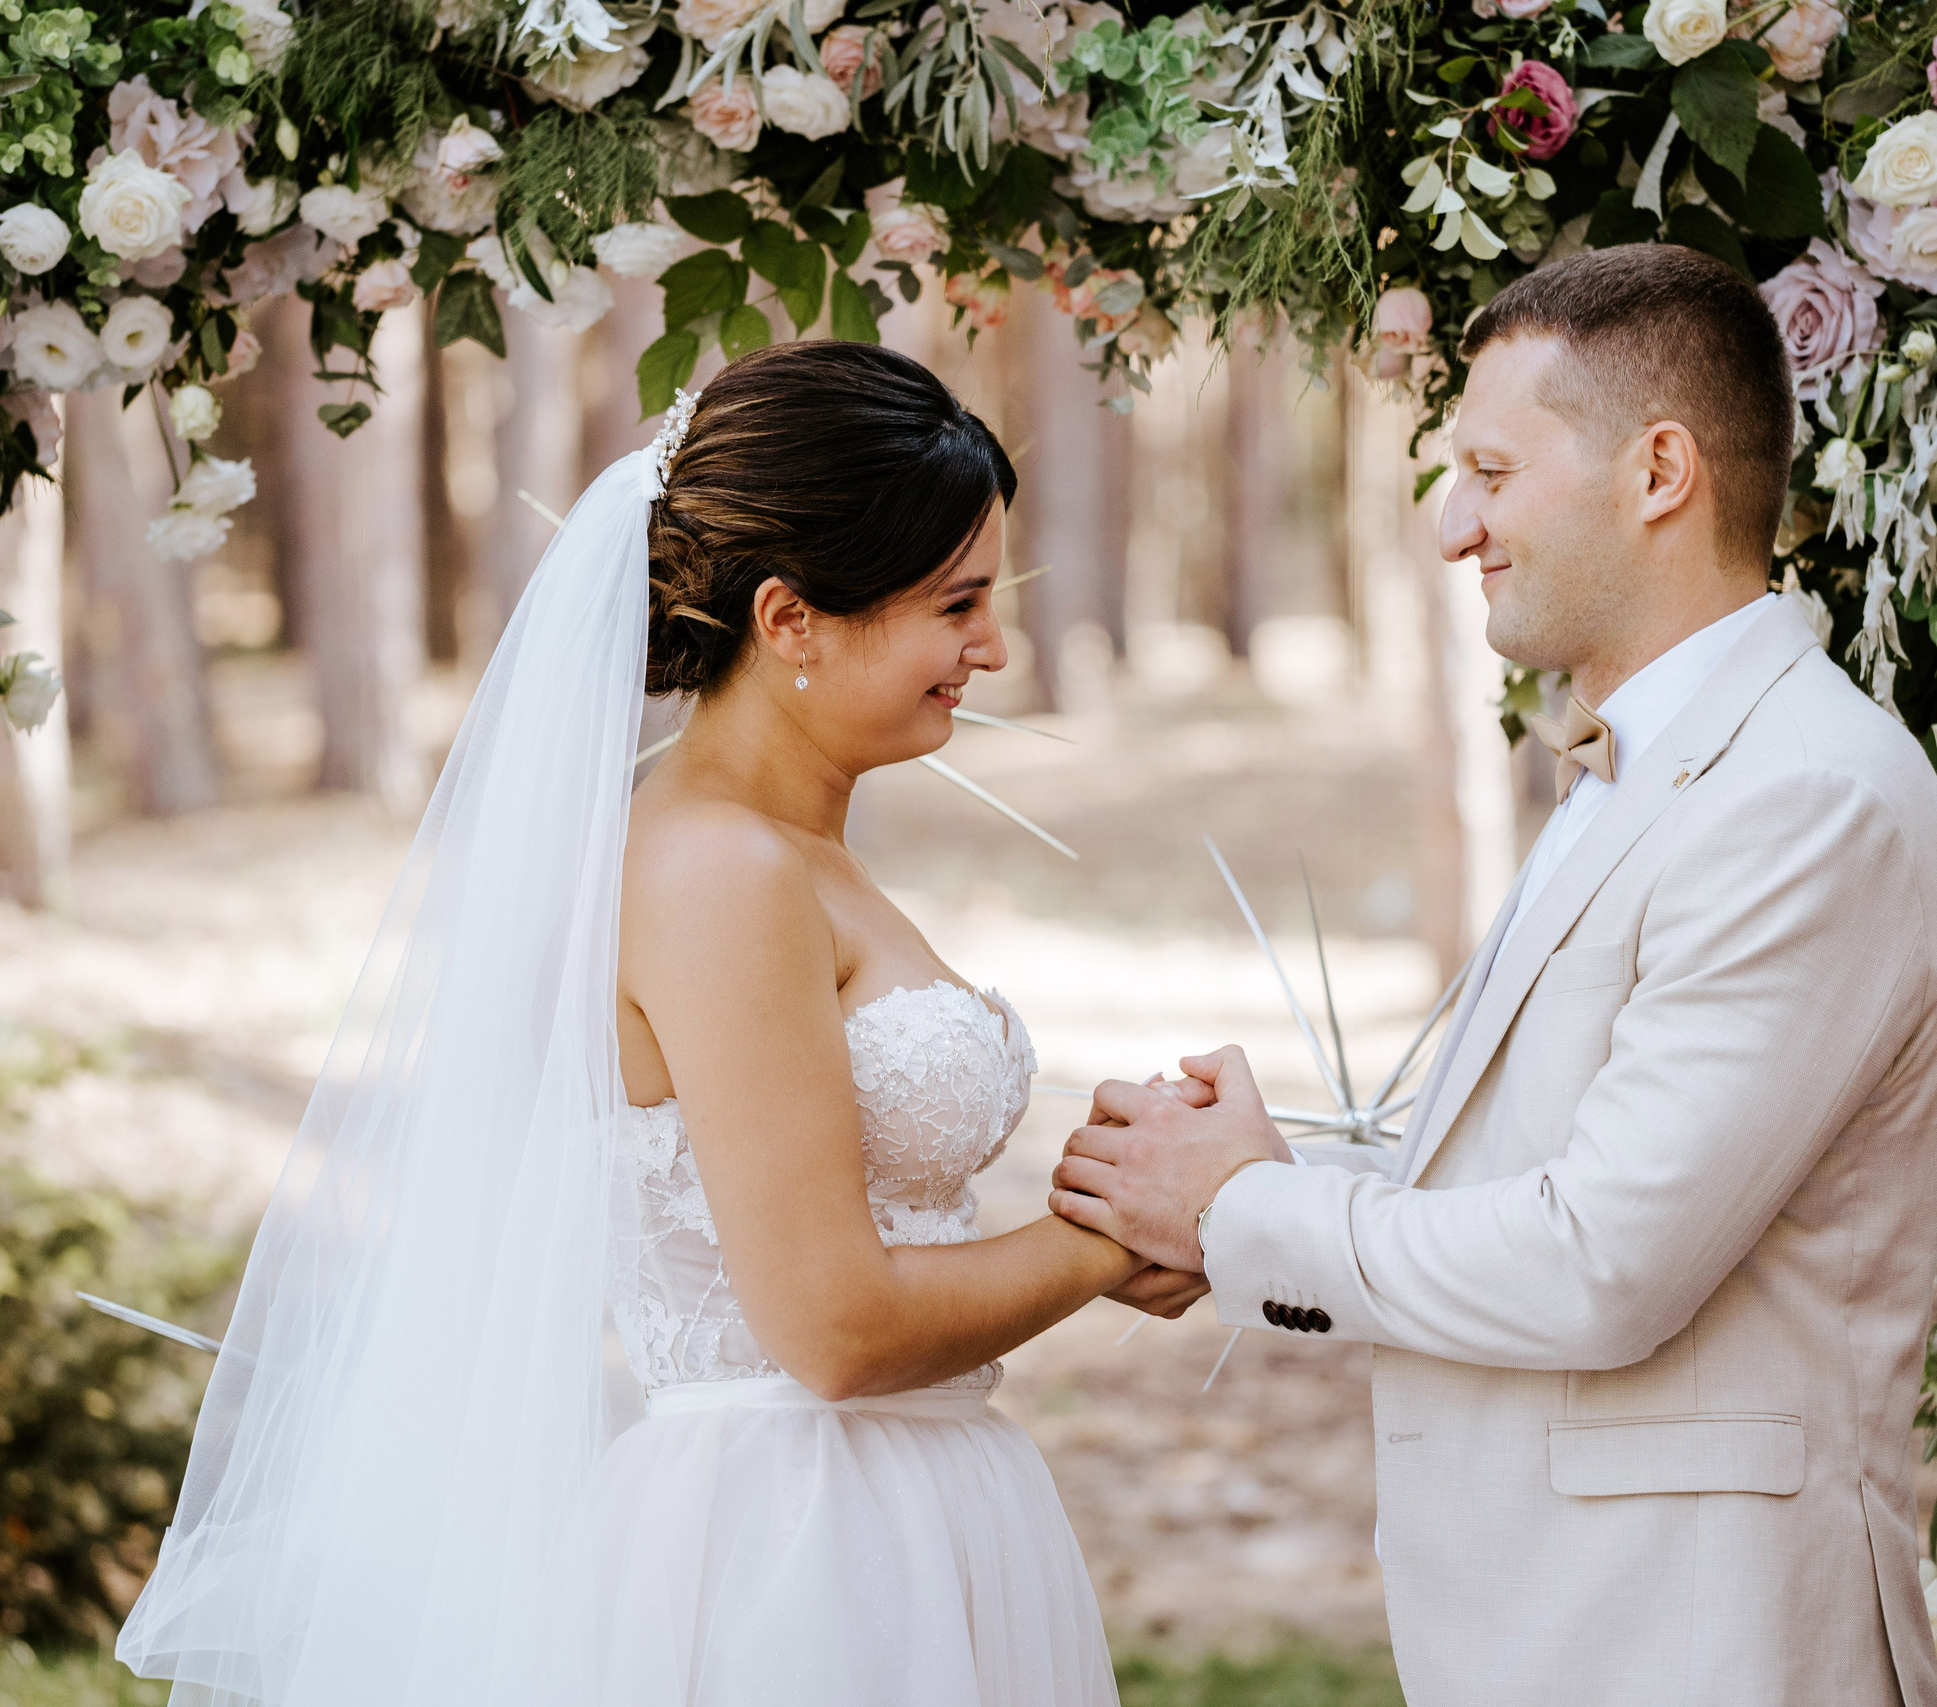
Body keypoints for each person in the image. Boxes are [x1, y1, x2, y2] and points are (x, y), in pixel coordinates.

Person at [118, 342, 1199, 1707]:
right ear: (791, 618)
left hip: (908, 1504)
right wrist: (1110, 1240)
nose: (991, 646)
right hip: (798, 1552)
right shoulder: (715, 872)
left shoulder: (791, 854)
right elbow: (834, 1326)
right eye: (956, 604)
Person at [1055, 245, 1937, 1707]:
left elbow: (1602, 1262)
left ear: (1658, 470)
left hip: (1697, 1644)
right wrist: (1258, 1169)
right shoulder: (1643, 764)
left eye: (1491, 469)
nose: (1452, 526)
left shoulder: (1804, 800)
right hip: (1566, 1626)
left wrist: (1243, 1213)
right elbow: (1572, 1152)